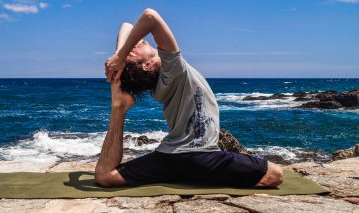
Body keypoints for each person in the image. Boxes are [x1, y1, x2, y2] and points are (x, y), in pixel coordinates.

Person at [96, 8, 283, 188]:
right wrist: (121, 56)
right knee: (275, 174)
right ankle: (201, 175)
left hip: (168, 157)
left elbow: (127, 26)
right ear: (146, 66)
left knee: (106, 176)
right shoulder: (171, 69)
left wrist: (118, 57)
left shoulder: (156, 85)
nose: (135, 44)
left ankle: (119, 108)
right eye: (131, 53)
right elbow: (150, 17)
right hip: (201, 156)